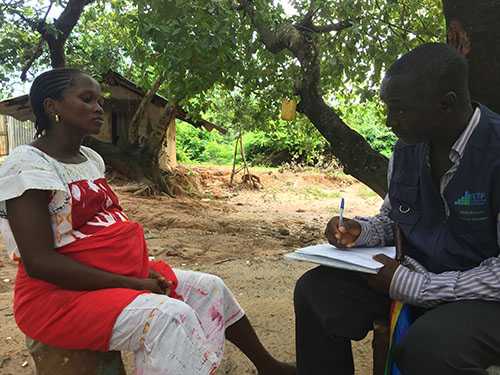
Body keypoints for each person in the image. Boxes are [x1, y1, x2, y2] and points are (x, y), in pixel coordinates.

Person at [0, 68, 296, 375]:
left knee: (210, 288)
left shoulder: (90, 159)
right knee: (168, 316)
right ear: (52, 107)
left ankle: (268, 367)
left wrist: (143, 267)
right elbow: (40, 263)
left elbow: (106, 227)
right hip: (55, 298)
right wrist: (134, 283)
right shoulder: (27, 166)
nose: (99, 107)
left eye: (100, 100)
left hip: (109, 275)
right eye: (86, 99)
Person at [294, 42, 500, 375]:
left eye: (400, 110)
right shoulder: (407, 150)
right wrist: (360, 231)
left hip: (485, 299)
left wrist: (417, 287)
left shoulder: (495, 153)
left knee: (430, 346)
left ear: (446, 104)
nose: (389, 121)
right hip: (412, 276)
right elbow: (395, 219)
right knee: (316, 293)